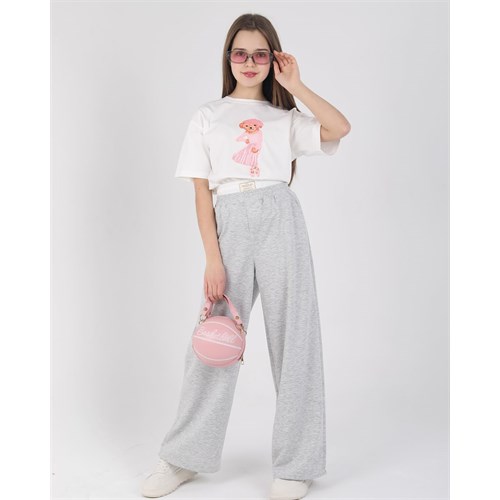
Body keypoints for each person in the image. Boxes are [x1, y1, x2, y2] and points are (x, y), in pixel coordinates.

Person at [142, 12, 351, 500]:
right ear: (228, 58)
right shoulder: (208, 116)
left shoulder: (286, 118)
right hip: (230, 219)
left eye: (261, 53)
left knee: (296, 339)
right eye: (241, 52)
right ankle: (183, 457)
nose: (250, 62)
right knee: (214, 342)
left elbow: (340, 127)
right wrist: (212, 259)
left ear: (274, 59)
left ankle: (297, 465)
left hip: (281, 216)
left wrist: (296, 86)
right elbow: (201, 192)